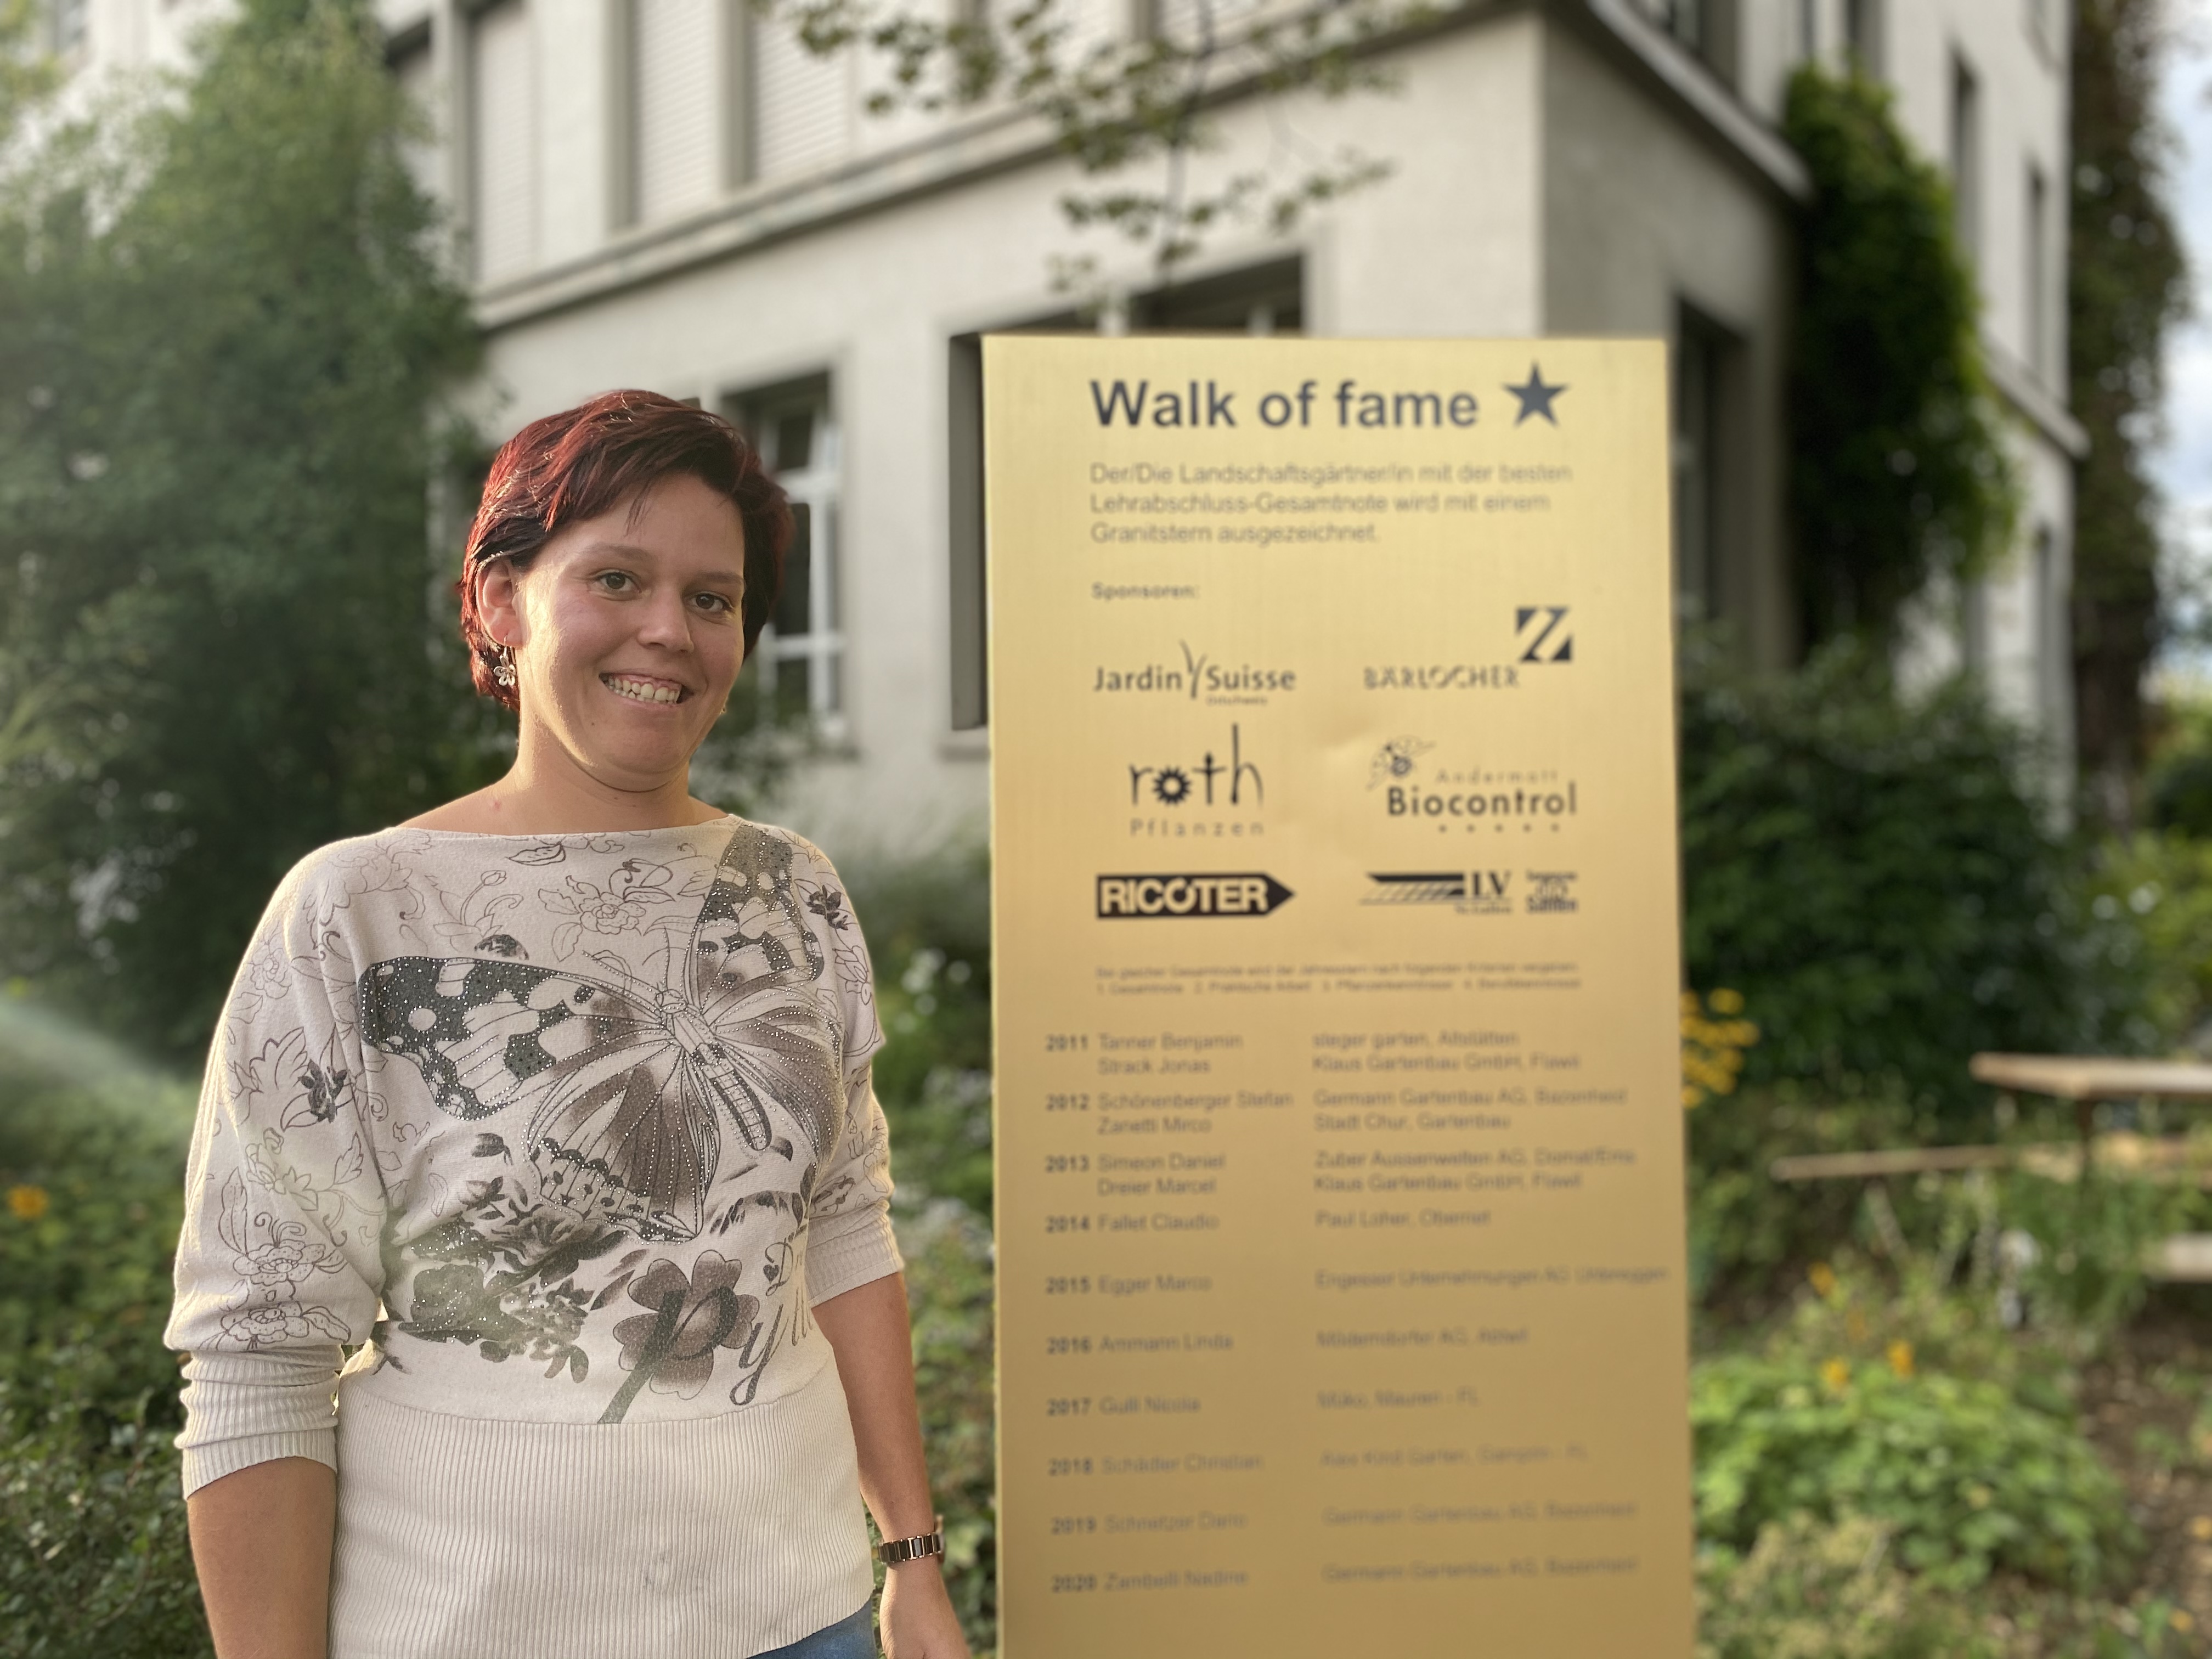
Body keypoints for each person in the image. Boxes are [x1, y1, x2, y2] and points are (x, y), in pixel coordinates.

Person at [163, 390, 972, 1659]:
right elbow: (260, 1351)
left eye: (714, 598)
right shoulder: (359, 911)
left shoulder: (792, 889)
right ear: (501, 601)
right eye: (617, 578)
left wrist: (912, 1557)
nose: (670, 630)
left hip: (803, 1618)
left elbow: (842, 1225)